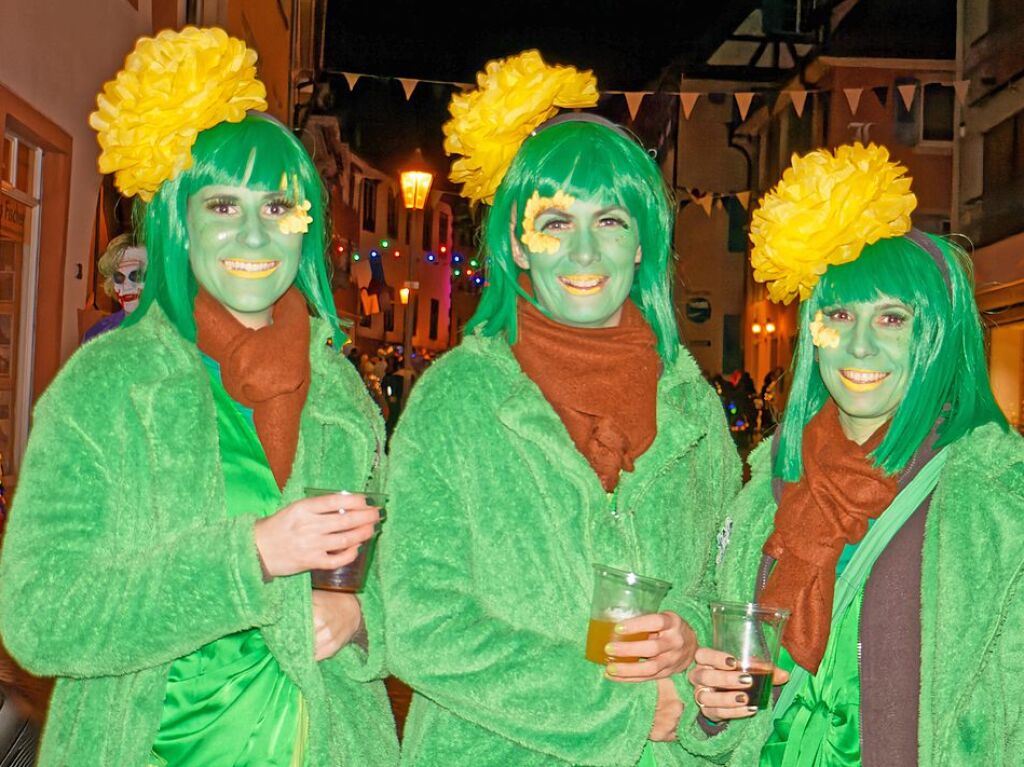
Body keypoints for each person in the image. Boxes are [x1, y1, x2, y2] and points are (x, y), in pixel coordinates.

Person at [0, 27, 398, 767]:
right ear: (179, 221)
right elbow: (38, 615)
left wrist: (364, 616)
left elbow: (408, 575)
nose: (254, 231)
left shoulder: (340, 391)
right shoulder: (109, 386)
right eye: (222, 205)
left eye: (279, 207)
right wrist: (249, 556)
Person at [380, 50, 740, 767]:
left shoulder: (692, 406)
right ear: (517, 243)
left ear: (642, 242)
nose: (584, 251)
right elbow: (420, 621)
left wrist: (691, 633)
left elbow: (726, 587)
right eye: (554, 223)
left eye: (609, 221)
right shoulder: (459, 399)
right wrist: (614, 706)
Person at [684, 143, 1024, 766]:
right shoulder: (769, 487)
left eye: (893, 319)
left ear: (938, 336)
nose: (859, 346)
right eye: (839, 314)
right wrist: (709, 706)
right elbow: (728, 695)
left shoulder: (998, 499)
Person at [81, 232, 147, 343]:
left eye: (135, 276)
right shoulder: (96, 335)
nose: (126, 287)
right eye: (119, 277)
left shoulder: (173, 334)